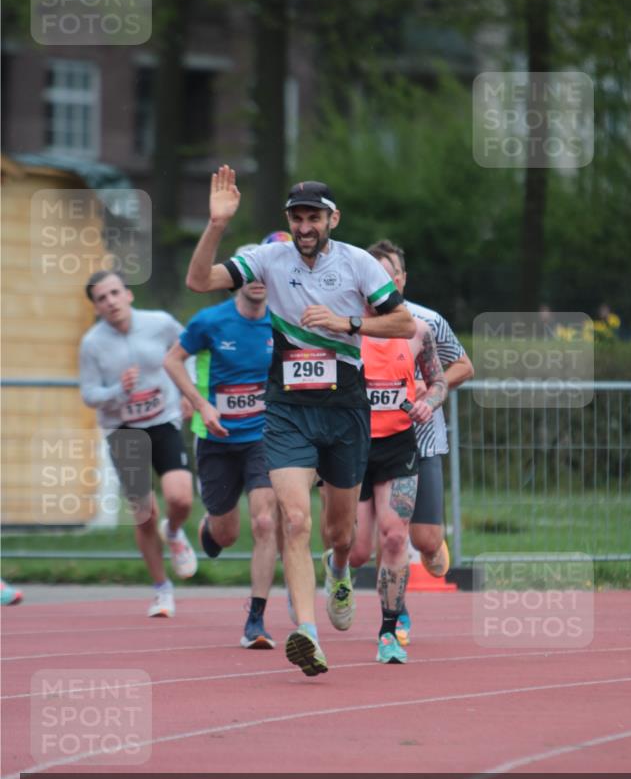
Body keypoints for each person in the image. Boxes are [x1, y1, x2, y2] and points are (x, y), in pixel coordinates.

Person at [186, 166, 415, 677]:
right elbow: (199, 281)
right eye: (297, 218)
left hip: (344, 409)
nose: (305, 226)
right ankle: (307, 634)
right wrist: (217, 225)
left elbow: (403, 322)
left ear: (333, 219)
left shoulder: (358, 264)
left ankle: (338, 567)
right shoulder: (270, 259)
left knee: (339, 531)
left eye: (313, 217)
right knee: (294, 519)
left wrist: (347, 322)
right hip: (288, 409)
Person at [163, 251, 279, 650]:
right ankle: (209, 527)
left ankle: (256, 619)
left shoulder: (281, 323)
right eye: (249, 273)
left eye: (264, 274)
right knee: (226, 534)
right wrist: (200, 404)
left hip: (263, 437)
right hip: (217, 438)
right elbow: (172, 361)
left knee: (265, 522)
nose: (257, 280)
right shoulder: (210, 321)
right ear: (235, 279)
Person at [367, 241, 474, 646]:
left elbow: (464, 365)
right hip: (375, 442)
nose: (382, 282)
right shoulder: (357, 323)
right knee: (388, 533)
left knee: (425, 541)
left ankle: (431, 547)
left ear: (402, 279)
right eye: (373, 274)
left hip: (422, 441)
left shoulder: (426, 321)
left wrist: (428, 392)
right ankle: (396, 614)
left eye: (389, 274)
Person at [79, 270, 197, 618]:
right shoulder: (92, 344)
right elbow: (89, 394)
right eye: (102, 298)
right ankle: (161, 589)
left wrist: (189, 390)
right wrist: (119, 390)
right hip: (124, 430)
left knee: (180, 498)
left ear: (128, 295)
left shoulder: (159, 323)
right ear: (96, 307)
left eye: (115, 293)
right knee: (144, 514)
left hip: (163, 421)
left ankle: (173, 532)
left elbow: (189, 351)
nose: (111, 302)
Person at [348, 315, 447, 663]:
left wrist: (428, 403)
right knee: (357, 552)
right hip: (352, 447)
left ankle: (388, 631)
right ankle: (337, 567)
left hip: (398, 447)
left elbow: (439, 381)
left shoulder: (417, 331)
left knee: (394, 537)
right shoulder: (345, 329)